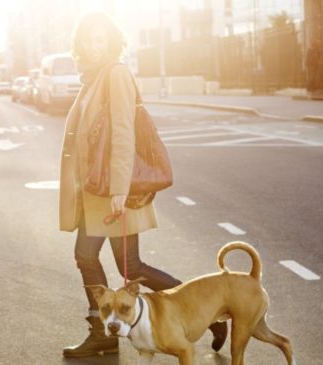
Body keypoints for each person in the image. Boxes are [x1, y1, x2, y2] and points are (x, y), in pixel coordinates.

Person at [59, 12, 228, 358]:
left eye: (100, 39)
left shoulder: (116, 74)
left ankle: (208, 313)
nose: (94, 46)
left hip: (111, 191)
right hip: (93, 191)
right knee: (93, 258)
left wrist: (121, 188)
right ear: (79, 45)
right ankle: (102, 331)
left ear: (112, 41)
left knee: (125, 267)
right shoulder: (92, 78)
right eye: (88, 40)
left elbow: (123, 131)